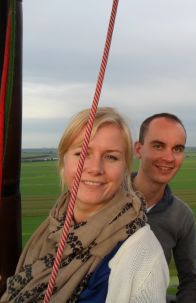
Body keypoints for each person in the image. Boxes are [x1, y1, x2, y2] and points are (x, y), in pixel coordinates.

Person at [1, 107, 169, 303]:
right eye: (82, 153)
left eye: (111, 157)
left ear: (125, 168)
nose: (95, 168)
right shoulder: (51, 228)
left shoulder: (144, 258)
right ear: (63, 161)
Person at [132, 113, 196, 303]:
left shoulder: (182, 216)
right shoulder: (107, 198)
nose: (169, 157)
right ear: (139, 149)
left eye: (177, 149)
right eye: (158, 146)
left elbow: (190, 279)